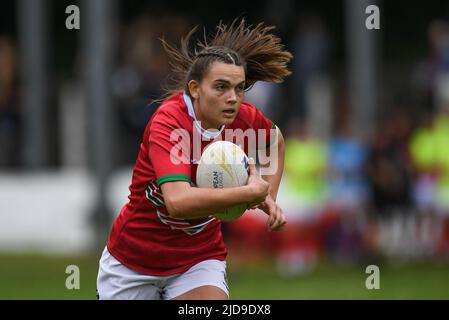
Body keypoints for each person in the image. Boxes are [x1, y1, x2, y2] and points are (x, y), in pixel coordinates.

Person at [96, 18, 292, 300]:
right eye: (221, 87)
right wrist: (248, 191)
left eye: (239, 88)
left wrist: (269, 196)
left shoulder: (242, 117)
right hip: (133, 261)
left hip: (197, 259)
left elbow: (275, 142)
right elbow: (178, 203)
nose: (233, 98)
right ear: (195, 89)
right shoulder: (169, 120)